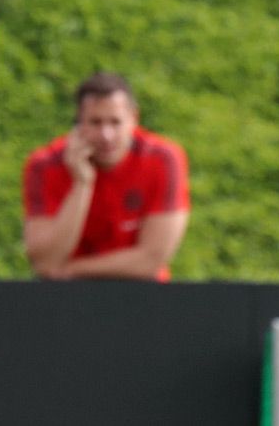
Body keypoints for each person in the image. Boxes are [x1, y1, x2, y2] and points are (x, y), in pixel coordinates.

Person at [23, 72, 189, 282]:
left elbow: (151, 259)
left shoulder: (163, 159)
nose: (106, 135)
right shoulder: (44, 165)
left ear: (133, 119)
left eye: (115, 122)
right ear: (78, 125)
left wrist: (73, 269)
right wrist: (82, 183)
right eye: (95, 122)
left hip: (140, 292)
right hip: (67, 296)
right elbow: (45, 261)